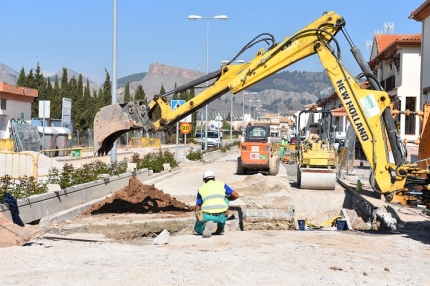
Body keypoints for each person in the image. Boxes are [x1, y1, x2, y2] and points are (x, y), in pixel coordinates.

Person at [194, 170, 239, 238]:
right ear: (214, 178)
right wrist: (228, 199)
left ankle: (205, 227)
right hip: (222, 216)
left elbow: (198, 205)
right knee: (225, 199)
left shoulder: (201, 188)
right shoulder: (222, 184)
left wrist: (197, 216)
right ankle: (220, 228)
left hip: (207, 216)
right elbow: (236, 196)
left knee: (197, 228)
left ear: (204, 180)